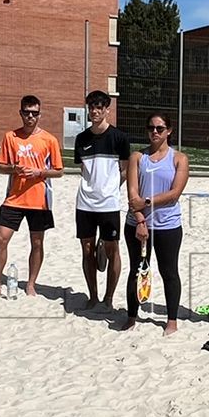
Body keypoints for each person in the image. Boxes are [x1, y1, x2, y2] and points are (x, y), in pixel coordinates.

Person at [0, 96, 62, 299]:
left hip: (40, 201)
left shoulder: (49, 140)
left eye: (34, 113)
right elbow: (0, 167)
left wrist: (38, 172)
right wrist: (14, 169)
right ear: (20, 113)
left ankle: (31, 284)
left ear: (40, 114)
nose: (30, 116)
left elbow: (59, 171)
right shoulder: (11, 137)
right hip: (14, 198)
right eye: (26, 112)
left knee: (37, 243)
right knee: (1, 240)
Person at [123, 113, 188, 334]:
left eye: (160, 128)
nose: (155, 132)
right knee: (137, 270)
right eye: (151, 128)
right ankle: (131, 316)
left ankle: (171, 321)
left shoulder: (179, 158)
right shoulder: (137, 157)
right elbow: (132, 192)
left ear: (169, 130)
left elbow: (174, 193)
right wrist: (140, 219)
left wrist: (147, 201)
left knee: (169, 271)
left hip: (167, 225)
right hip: (137, 223)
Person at [72, 90, 131, 310]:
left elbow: (125, 171)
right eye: (91, 107)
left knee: (112, 249)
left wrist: (110, 190)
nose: (95, 111)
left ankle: (108, 297)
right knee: (87, 250)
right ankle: (93, 295)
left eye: (99, 107)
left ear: (107, 109)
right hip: (85, 203)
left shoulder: (119, 138)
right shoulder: (81, 139)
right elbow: (83, 170)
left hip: (109, 204)